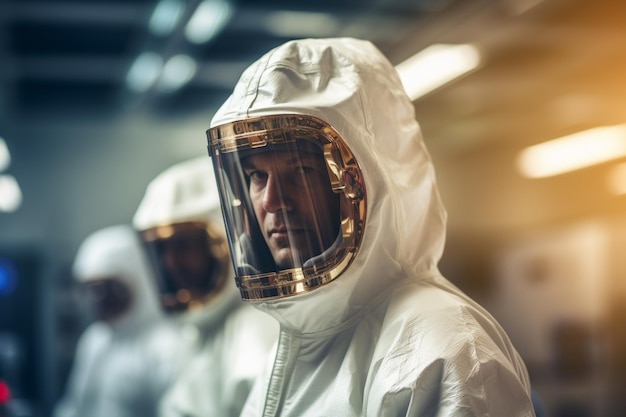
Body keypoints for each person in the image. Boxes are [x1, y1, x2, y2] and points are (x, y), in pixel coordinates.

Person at [206, 37, 537, 416]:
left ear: (376, 175)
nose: (271, 201)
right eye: (257, 176)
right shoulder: (300, 341)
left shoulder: (442, 353)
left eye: (301, 171)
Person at [132, 156, 278, 417]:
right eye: (163, 250)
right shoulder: (196, 331)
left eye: (184, 245)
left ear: (224, 240)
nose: (171, 263)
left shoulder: (255, 332)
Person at [53, 225, 183, 417]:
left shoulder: (166, 346)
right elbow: (74, 405)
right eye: (93, 289)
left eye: (109, 287)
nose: (99, 298)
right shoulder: (94, 340)